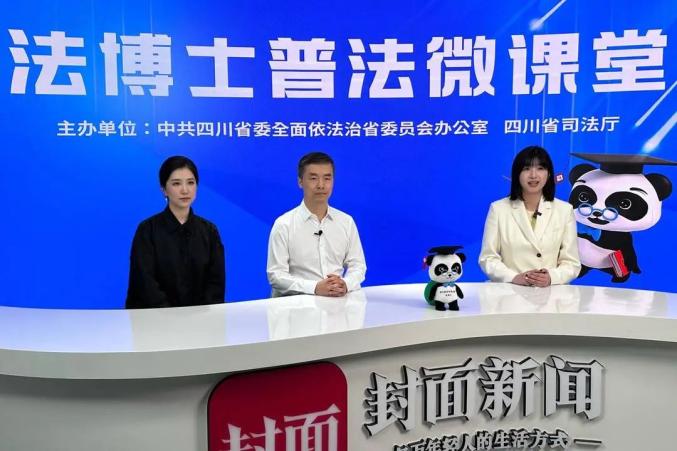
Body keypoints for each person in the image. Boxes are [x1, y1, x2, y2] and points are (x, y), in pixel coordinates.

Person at [126, 156, 225, 308]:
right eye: (176, 183)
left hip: (201, 318)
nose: (185, 190)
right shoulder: (147, 230)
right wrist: (170, 315)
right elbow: (145, 282)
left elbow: (216, 284)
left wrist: (202, 314)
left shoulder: (209, 231)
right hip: (154, 317)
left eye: (190, 183)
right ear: (164, 189)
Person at [267, 152, 367, 297]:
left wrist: (345, 284)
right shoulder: (284, 224)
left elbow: (358, 266)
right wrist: (314, 287)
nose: (321, 185)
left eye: (327, 178)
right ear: (300, 182)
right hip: (296, 306)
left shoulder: (346, 222)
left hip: (338, 304)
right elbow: (276, 275)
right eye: (313, 178)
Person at [479, 146, 580, 287]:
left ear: (549, 174)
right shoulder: (498, 209)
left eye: (540, 168)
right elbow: (488, 259)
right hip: (510, 291)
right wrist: (514, 277)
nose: (533, 175)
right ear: (517, 174)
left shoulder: (564, 210)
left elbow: (572, 263)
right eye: (526, 169)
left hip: (551, 293)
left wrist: (551, 277)